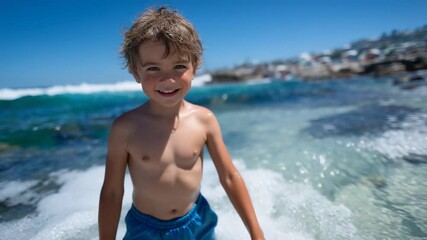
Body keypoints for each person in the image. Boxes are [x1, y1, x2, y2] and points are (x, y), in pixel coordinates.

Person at [98, 6, 264, 240]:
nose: (167, 79)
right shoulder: (125, 128)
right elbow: (113, 192)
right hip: (145, 229)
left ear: (194, 67)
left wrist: (256, 233)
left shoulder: (204, 120)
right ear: (136, 72)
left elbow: (229, 177)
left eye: (179, 66)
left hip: (197, 222)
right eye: (153, 68)